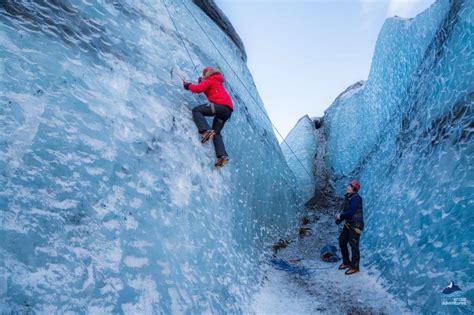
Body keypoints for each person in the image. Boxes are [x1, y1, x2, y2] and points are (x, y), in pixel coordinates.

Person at [183, 67, 234, 168]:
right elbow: (207, 89)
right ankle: (222, 157)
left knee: (196, 110)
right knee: (216, 133)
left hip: (220, 106)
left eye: (203, 74)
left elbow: (197, 89)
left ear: (207, 73)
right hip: (227, 111)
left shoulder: (210, 80)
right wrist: (202, 82)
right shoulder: (217, 81)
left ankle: (205, 131)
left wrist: (187, 85)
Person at [335, 180, 364, 275]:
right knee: (342, 241)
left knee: (354, 245)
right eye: (348, 186)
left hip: (356, 225)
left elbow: (351, 212)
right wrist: (339, 219)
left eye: (350, 187)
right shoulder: (349, 197)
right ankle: (346, 262)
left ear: (354, 189)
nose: (348, 187)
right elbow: (346, 210)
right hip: (349, 224)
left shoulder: (356, 198)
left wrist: (340, 216)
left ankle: (355, 266)